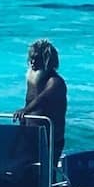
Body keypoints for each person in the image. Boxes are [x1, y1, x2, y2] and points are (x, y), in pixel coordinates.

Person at [13, 39, 68, 169]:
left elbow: (42, 100)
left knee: (47, 171)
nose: (32, 62)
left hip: (49, 140)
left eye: (36, 59)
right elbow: (29, 100)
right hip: (30, 135)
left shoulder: (55, 82)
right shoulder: (32, 79)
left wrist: (24, 110)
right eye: (31, 58)